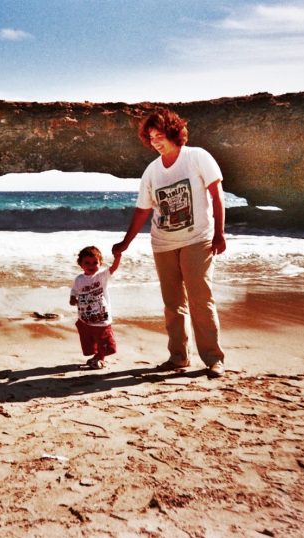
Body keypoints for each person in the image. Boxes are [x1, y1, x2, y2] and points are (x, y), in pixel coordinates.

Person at [112, 108, 227, 378]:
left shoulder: (197, 157)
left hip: (197, 239)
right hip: (163, 243)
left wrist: (220, 233)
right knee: (172, 304)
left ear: (174, 133)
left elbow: (217, 195)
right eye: (150, 137)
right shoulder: (151, 171)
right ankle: (178, 357)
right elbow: (143, 210)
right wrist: (126, 241)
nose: (155, 142)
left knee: (201, 299)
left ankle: (213, 359)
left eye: (159, 135)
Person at [69, 245, 120, 370]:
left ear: (100, 263)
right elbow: (75, 290)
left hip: (101, 315)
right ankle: (96, 355)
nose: (91, 266)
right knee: (89, 336)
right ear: (80, 264)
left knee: (103, 337)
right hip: (85, 316)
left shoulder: (101, 276)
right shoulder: (79, 279)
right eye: (87, 263)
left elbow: (113, 268)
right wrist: (72, 298)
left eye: (95, 263)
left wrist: (118, 257)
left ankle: (100, 358)